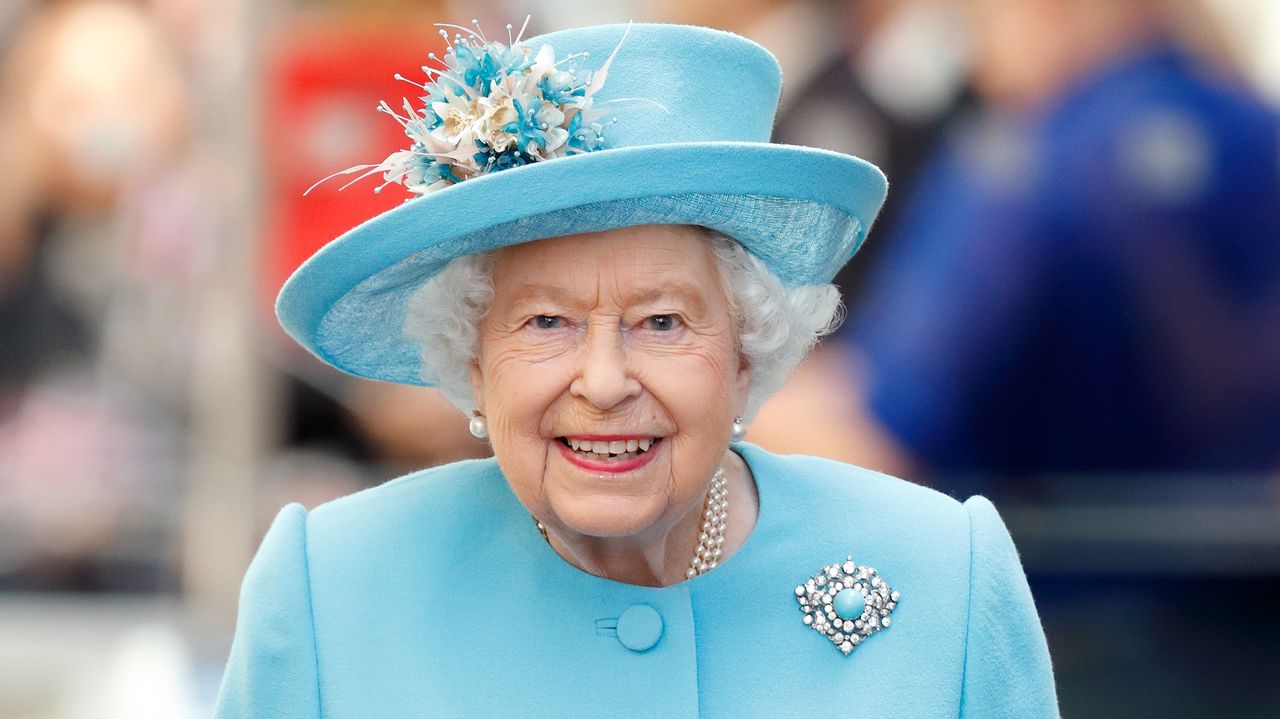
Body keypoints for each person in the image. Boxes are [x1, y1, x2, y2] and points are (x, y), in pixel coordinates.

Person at [214, 21, 1057, 717]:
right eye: (546, 321)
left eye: (661, 321)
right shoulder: (329, 586)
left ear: (745, 348)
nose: (605, 381)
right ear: (472, 358)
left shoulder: (945, 572)